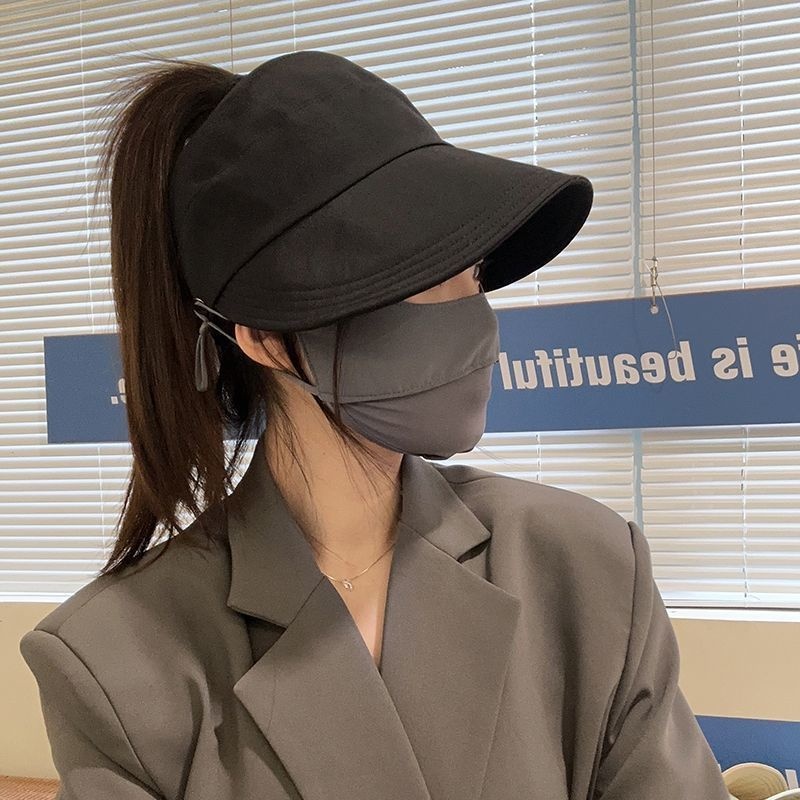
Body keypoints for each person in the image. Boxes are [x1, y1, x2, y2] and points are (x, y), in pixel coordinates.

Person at [19, 50, 732, 800]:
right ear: (264, 337)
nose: (475, 317)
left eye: (473, 271)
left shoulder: (585, 571)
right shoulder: (117, 663)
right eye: (417, 274)